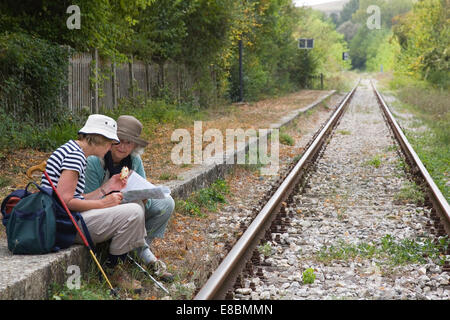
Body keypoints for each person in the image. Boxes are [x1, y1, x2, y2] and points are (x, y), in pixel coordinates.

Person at [41, 114, 147, 291]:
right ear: (101, 140)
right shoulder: (75, 157)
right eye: (111, 142)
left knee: (133, 209)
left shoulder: (72, 150)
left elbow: (77, 197)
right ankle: (114, 270)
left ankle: (120, 265)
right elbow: (65, 202)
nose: (112, 147)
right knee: (134, 212)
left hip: (63, 219)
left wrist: (106, 188)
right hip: (63, 224)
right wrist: (104, 203)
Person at [84, 115, 175, 281]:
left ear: (134, 146)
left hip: (130, 206)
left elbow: (142, 187)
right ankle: (144, 255)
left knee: (166, 203)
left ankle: (137, 247)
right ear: (111, 140)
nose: (123, 147)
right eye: (120, 141)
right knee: (136, 205)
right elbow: (87, 200)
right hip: (103, 209)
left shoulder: (134, 160)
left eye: (129, 143)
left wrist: (145, 195)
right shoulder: (95, 161)